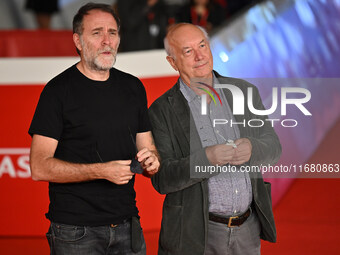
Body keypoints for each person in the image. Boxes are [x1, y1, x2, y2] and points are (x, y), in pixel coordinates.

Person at [28, 3, 160, 254]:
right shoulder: (57, 92)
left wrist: (152, 161)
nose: (107, 41)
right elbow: (39, 166)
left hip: (128, 224)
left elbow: (148, 149)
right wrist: (102, 171)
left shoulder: (133, 88)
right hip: (75, 231)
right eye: (97, 32)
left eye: (112, 32)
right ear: (78, 40)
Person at [148, 23, 281, 255]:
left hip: (248, 230)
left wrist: (252, 148)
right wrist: (206, 159)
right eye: (188, 51)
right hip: (196, 234)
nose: (200, 56)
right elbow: (163, 179)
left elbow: (273, 146)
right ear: (173, 62)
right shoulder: (161, 111)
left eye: (202, 46)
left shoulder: (244, 92)